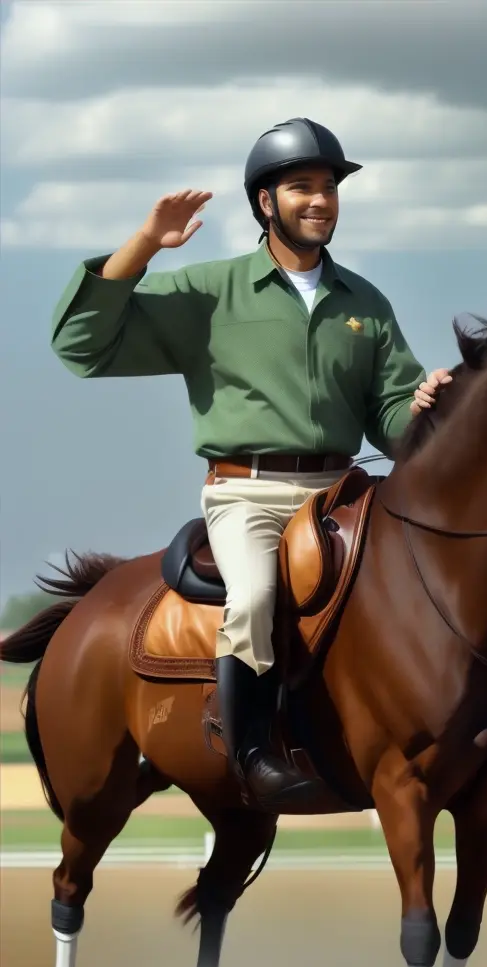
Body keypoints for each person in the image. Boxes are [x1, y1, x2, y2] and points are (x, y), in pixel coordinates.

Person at [50, 116, 451, 810]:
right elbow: (80, 343)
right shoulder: (210, 291)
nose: (320, 200)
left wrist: (424, 409)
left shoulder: (366, 303)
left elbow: (390, 425)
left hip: (345, 491)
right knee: (257, 598)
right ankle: (252, 756)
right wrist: (145, 244)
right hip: (250, 497)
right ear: (265, 202)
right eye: (302, 187)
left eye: (329, 187)